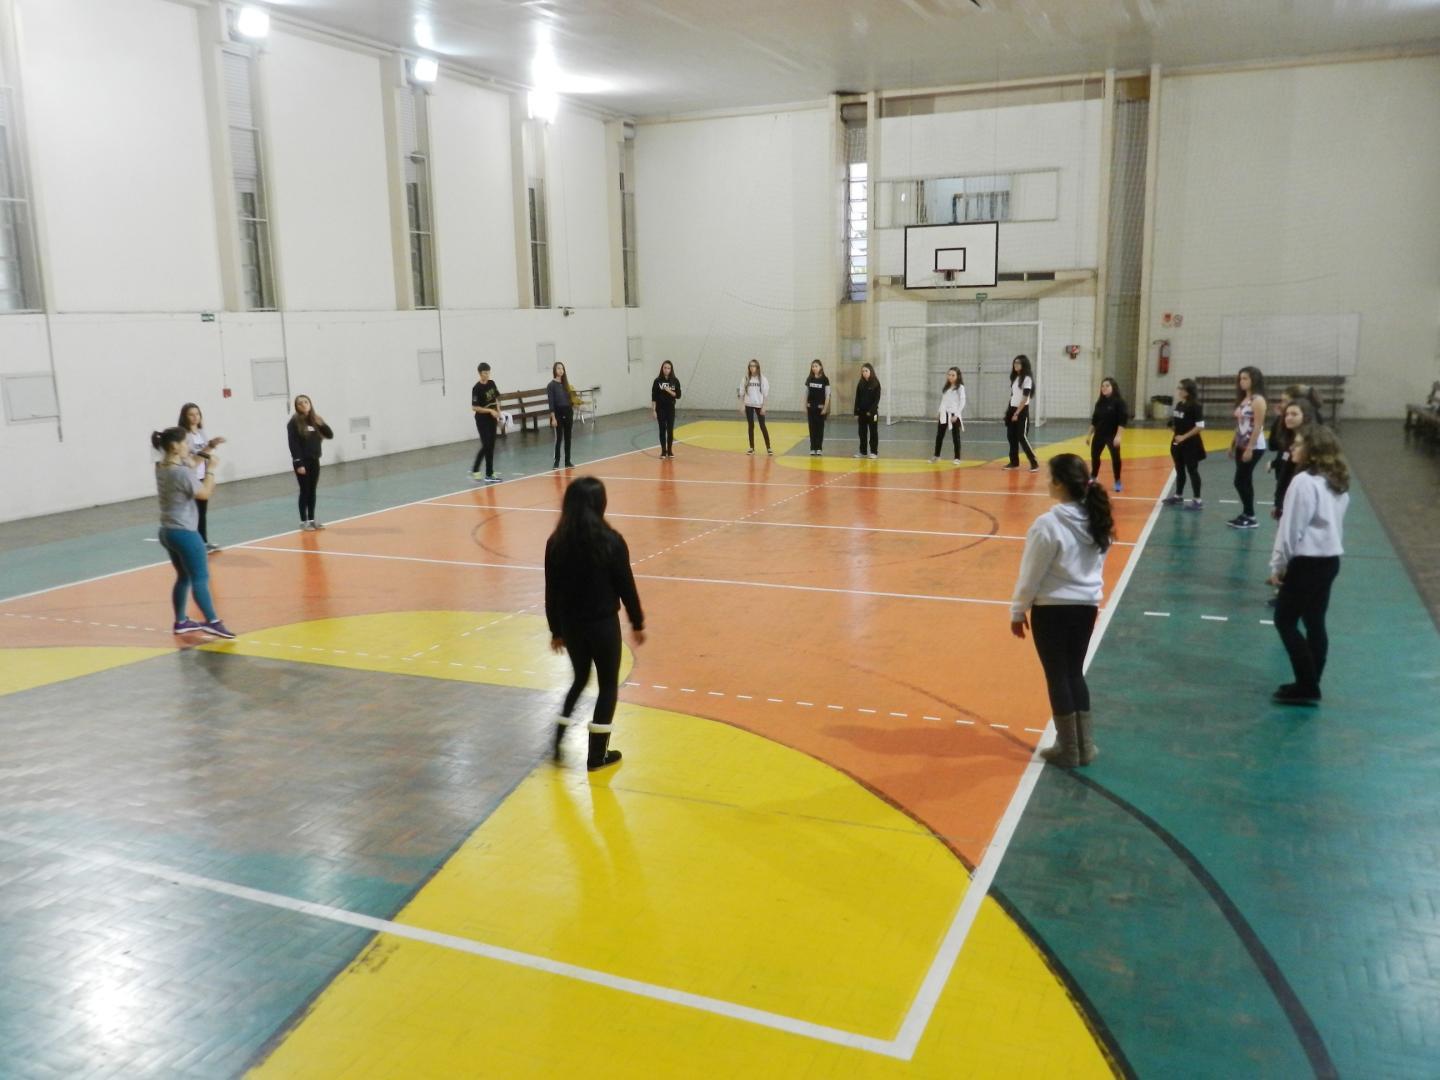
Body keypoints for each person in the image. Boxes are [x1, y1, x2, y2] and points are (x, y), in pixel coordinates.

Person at [1009, 454, 1115, 767]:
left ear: (1059, 483)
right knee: (1073, 673)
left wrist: (1018, 611)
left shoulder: (1048, 525)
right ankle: (1086, 746)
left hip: (1052, 611)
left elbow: (1031, 575)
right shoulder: (1097, 517)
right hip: (1086, 608)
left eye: (1049, 476)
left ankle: (1068, 749)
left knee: (1057, 676)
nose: (1045, 482)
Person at [546, 477, 645, 771]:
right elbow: (626, 585)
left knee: (578, 680)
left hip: (572, 625)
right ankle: (596, 756)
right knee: (607, 687)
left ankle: (557, 741)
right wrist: (637, 621)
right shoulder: (611, 541)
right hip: (603, 625)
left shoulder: (556, 542)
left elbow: (552, 591)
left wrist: (556, 630)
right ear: (600, 504)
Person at [1267, 426, 1349, 705]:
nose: (1292, 448)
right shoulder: (1336, 480)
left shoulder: (1303, 481)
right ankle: (1312, 680)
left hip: (1307, 562)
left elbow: (1290, 530)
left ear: (1312, 451)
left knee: (1285, 620)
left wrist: (1278, 564)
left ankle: (1307, 683)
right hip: (1329, 561)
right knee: (1315, 622)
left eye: (1299, 444)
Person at [150, 427, 236, 639]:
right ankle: (212, 621)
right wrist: (211, 470)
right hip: (185, 532)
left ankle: (181, 621)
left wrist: (206, 451)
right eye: (185, 443)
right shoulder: (181, 473)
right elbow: (204, 493)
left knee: (183, 577)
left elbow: (190, 464)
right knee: (200, 577)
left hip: (167, 531)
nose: (189, 446)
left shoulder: (161, 467)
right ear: (175, 446)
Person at [178, 403, 226, 553]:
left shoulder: (201, 432)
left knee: (202, 512)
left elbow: (206, 458)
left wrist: (209, 477)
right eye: (191, 414)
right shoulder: (184, 436)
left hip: (202, 476)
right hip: (190, 477)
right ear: (185, 417)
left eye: (197, 414)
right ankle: (192, 543)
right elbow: (190, 457)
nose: (195, 417)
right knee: (192, 513)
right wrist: (209, 447)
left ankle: (203, 542)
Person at [1227, 366, 1268, 529]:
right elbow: (1240, 425)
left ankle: (1250, 515)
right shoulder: (1244, 399)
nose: (1242, 382)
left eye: (1246, 378)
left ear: (1254, 380)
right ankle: (1247, 514)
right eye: (1241, 378)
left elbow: (1258, 426)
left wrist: (1250, 448)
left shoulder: (1258, 400)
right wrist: (1232, 445)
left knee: (1240, 480)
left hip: (1254, 446)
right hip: (1240, 443)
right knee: (1245, 479)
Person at [1269, 394, 1321, 520]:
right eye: (1287, 414)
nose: (1289, 417)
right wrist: (1278, 504)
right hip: (1288, 499)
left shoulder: (1313, 442)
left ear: (1306, 416)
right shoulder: (1287, 440)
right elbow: (1284, 475)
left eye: (1294, 414)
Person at [287, 395, 334, 530]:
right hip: (302, 462)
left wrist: (322, 423)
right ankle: (304, 522)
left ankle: (312, 519)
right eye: (300, 403)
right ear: (297, 406)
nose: (304, 404)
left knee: (312, 491)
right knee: (305, 491)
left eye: (306, 402)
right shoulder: (294, 423)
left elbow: (330, 435)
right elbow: (293, 444)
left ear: (310, 403)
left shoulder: (315, 420)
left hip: (314, 460)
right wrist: (298, 463)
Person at [1164, 378, 1207, 509]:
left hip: (1191, 444)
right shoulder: (1179, 405)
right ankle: (1178, 496)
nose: (1179, 390)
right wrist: (1172, 426)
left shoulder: (1195, 406)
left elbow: (1200, 426)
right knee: (1179, 468)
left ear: (1188, 391)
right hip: (1178, 443)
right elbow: (1179, 424)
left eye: (1181, 388)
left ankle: (1197, 500)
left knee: (1192, 470)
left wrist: (1184, 437)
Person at [1087, 378, 1128, 492]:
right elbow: (1094, 421)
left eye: (1107, 385)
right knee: (1095, 456)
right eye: (1102, 386)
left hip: (1112, 435)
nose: (1104, 388)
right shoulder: (1099, 403)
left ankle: (1117, 480)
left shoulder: (1119, 402)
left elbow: (1122, 421)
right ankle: (1094, 477)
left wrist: (1118, 436)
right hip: (1099, 434)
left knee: (1116, 458)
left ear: (1113, 387)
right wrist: (1089, 435)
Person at [1003, 354, 1039, 472]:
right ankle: (1014, 462)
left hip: (1021, 411)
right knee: (1011, 436)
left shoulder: (1027, 379)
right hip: (1012, 409)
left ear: (1024, 365)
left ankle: (1034, 462)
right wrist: (1010, 411)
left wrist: (1017, 413)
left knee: (1021, 437)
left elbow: (1025, 398)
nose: (1015, 365)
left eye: (1018, 363)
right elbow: (1014, 395)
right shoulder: (1015, 378)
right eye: (1014, 363)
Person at [471, 362, 502, 483]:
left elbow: (496, 398)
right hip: (482, 419)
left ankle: (489, 472)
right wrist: (490, 410)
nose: (487, 375)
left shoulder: (492, 383)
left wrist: (498, 412)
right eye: (485, 373)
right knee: (486, 445)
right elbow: (475, 407)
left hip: (492, 418)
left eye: (488, 372)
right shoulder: (476, 388)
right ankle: (476, 469)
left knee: (491, 445)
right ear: (480, 374)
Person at [929, 367, 966, 464]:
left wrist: (956, 415)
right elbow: (943, 401)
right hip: (944, 413)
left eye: (953, 375)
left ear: (958, 376)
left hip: (954, 414)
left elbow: (962, 402)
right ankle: (936, 456)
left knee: (956, 436)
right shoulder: (946, 387)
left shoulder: (960, 388)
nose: (950, 377)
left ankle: (957, 458)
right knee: (939, 435)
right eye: (949, 375)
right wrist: (939, 411)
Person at [737, 359, 773, 456]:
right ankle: (751, 448)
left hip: (759, 405)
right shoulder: (745, 378)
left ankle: (769, 447)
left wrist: (764, 406)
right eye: (750, 366)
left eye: (754, 366)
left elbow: (765, 394)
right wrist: (742, 405)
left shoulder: (762, 379)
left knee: (762, 426)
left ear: (757, 367)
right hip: (748, 405)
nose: (752, 367)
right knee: (751, 426)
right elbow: (741, 392)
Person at [651, 361, 682, 458]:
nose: (666, 370)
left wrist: (669, 390)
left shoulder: (675, 381)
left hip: (670, 409)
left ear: (671, 369)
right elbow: (654, 397)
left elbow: (678, 395)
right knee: (662, 430)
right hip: (660, 409)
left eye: (668, 368)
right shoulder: (657, 381)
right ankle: (663, 451)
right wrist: (654, 410)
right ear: (662, 368)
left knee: (670, 430)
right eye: (665, 368)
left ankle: (670, 451)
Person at [548, 361, 575, 469]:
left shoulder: (566, 384)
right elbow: (551, 402)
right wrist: (553, 418)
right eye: (558, 368)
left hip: (568, 412)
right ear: (555, 370)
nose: (560, 370)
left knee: (568, 437)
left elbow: (570, 399)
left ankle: (568, 461)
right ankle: (556, 461)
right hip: (558, 414)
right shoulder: (551, 385)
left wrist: (574, 406)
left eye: (562, 369)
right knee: (559, 438)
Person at [853, 362, 881, 459]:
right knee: (862, 433)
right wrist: (856, 412)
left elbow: (876, 400)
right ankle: (863, 451)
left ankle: (874, 452)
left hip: (872, 414)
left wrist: (871, 411)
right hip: (862, 413)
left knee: (873, 432)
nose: (864, 373)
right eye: (863, 371)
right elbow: (857, 398)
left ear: (871, 371)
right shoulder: (860, 383)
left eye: (866, 371)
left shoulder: (876, 384)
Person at [804, 359, 831, 456]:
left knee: (820, 428)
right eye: (813, 366)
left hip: (820, 409)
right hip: (811, 408)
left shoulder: (825, 379)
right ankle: (812, 448)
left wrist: (825, 408)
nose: (814, 368)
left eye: (816, 366)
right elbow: (806, 394)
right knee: (812, 428)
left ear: (820, 367)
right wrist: (805, 407)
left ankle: (819, 448)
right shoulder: (809, 379)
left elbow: (828, 395)